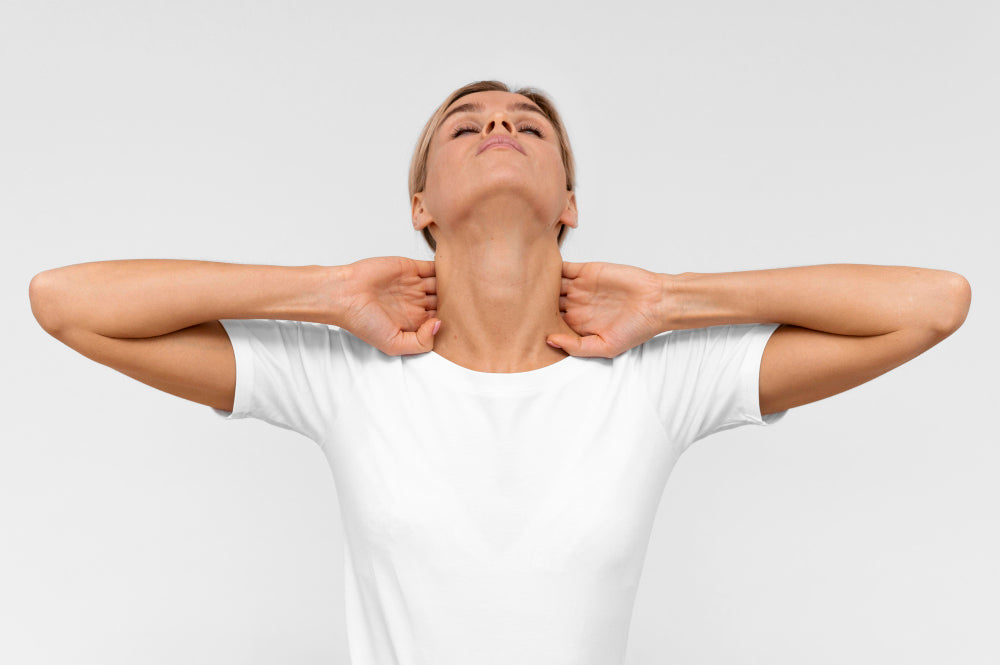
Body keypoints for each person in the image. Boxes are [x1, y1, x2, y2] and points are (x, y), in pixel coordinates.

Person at [29, 79, 971, 664]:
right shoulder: (350, 374)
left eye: (528, 122)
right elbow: (66, 302)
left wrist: (674, 299)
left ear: (569, 201)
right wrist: (323, 290)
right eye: (464, 125)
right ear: (420, 205)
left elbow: (933, 304)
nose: (498, 125)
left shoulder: (652, 381)